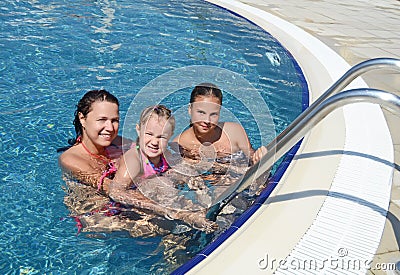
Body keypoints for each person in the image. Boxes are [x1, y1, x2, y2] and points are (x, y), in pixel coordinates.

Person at [109, 105, 219, 233]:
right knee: (162, 183)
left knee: (184, 173)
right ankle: (187, 217)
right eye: (149, 134)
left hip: (158, 201)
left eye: (161, 137)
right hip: (125, 213)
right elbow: (115, 192)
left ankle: (201, 213)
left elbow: (186, 171)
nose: (155, 142)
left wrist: (200, 189)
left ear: (170, 136)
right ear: (138, 130)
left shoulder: (167, 154)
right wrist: (161, 208)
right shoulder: (134, 159)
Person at [173, 83, 267, 164]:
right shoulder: (180, 144)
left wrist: (259, 157)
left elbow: (252, 158)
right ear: (190, 109)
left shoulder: (235, 132)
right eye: (201, 112)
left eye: (213, 114)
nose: (207, 120)